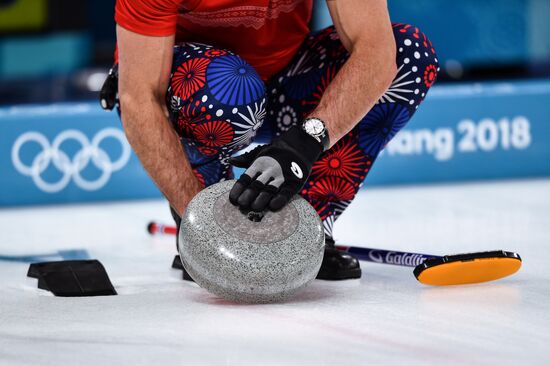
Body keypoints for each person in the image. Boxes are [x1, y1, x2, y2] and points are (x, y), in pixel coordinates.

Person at [102, 0, 439, 280]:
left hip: (287, 76)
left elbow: (376, 52)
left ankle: (304, 226)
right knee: (231, 85)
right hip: (203, 89)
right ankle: (211, 206)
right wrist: (200, 221)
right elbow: (139, 97)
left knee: (409, 54)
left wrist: (305, 141)